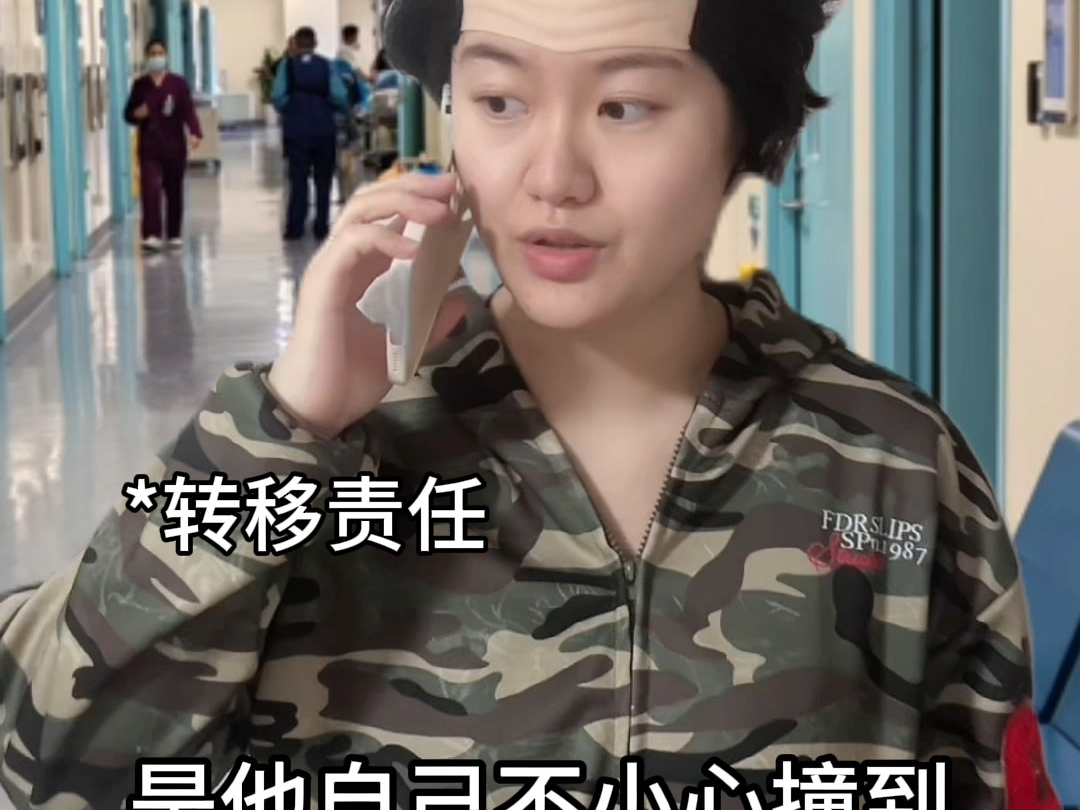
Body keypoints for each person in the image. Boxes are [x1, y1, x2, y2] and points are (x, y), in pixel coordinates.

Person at [0, 2, 1060, 810]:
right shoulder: (326, 457)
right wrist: (280, 428)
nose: (552, 176)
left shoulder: (888, 464)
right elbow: (46, 767)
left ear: (745, 127)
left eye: (625, 106)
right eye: (500, 101)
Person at [271, 26, 350, 240]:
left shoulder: (287, 66)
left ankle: (295, 227)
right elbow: (340, 96)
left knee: (298, 179)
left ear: (295, 44)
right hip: (324, 129)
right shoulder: (327, 65)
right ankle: (321, 226)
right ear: (315, 44)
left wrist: (292, 108)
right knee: (323, 179)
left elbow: (277, 96)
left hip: (296, 131)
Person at [123, 38, 202, 251]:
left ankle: (174, 233)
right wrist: (137, 114)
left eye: (160, 53)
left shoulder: (177, 84)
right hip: (149, 147)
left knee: (174, 190)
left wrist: (195, 132)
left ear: (166, 56)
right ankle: (152, 234)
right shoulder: (140, 85)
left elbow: (188, 110)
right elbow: (128, 114)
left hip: (174, 147)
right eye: (153, 54)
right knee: (150, 189)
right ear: (146, 57)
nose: (157, 57)